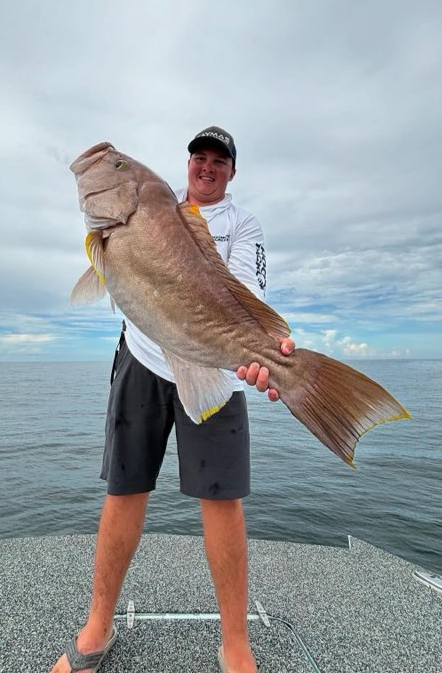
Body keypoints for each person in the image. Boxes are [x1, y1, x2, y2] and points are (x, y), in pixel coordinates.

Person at [51, 126, 294, 673]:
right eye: (198, 157)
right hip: (141, 359)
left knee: (222, 501)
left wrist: (261, 353)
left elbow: (246, 297)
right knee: (123, 489)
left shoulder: (242, 226)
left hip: (213, 369)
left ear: (231, 172)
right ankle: (97, 626)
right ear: (186, 165)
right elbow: (108, 274)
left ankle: (236, 645)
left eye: (218, 160)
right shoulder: (154, 207)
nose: (206, 166)